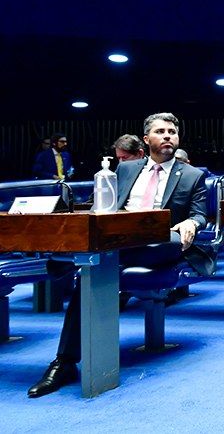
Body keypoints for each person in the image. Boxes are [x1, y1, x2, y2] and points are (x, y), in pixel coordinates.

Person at [28, 112, 211, 398]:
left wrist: (192, 222)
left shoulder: (193, 175)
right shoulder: (126, 169)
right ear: (146, 138)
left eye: (172, 132)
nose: (167, 136)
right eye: (161, 131)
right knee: (96, 267)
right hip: (122, 244)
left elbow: (200, 215)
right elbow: (106, 206)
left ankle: (70, 263)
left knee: (132, 250)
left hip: (164, 243)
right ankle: (64, 362)